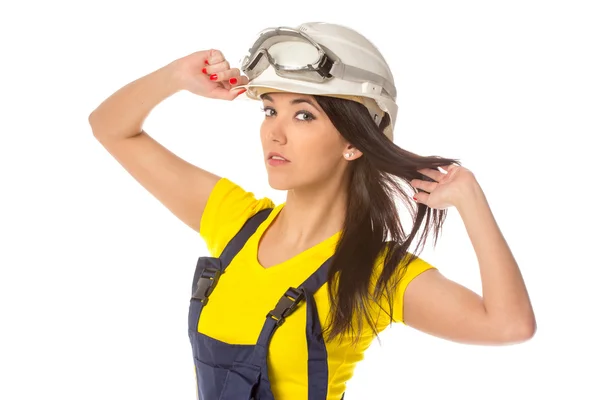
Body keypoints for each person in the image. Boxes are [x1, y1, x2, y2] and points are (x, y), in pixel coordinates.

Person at [88, 22, 536, 400]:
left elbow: (508, 325)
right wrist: (174, 77)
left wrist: (472, 202)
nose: (274, 134)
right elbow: (110, 128)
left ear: (355, 140)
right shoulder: (235, 221)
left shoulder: (374, 273)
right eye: (268, 111)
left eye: (303, 116)